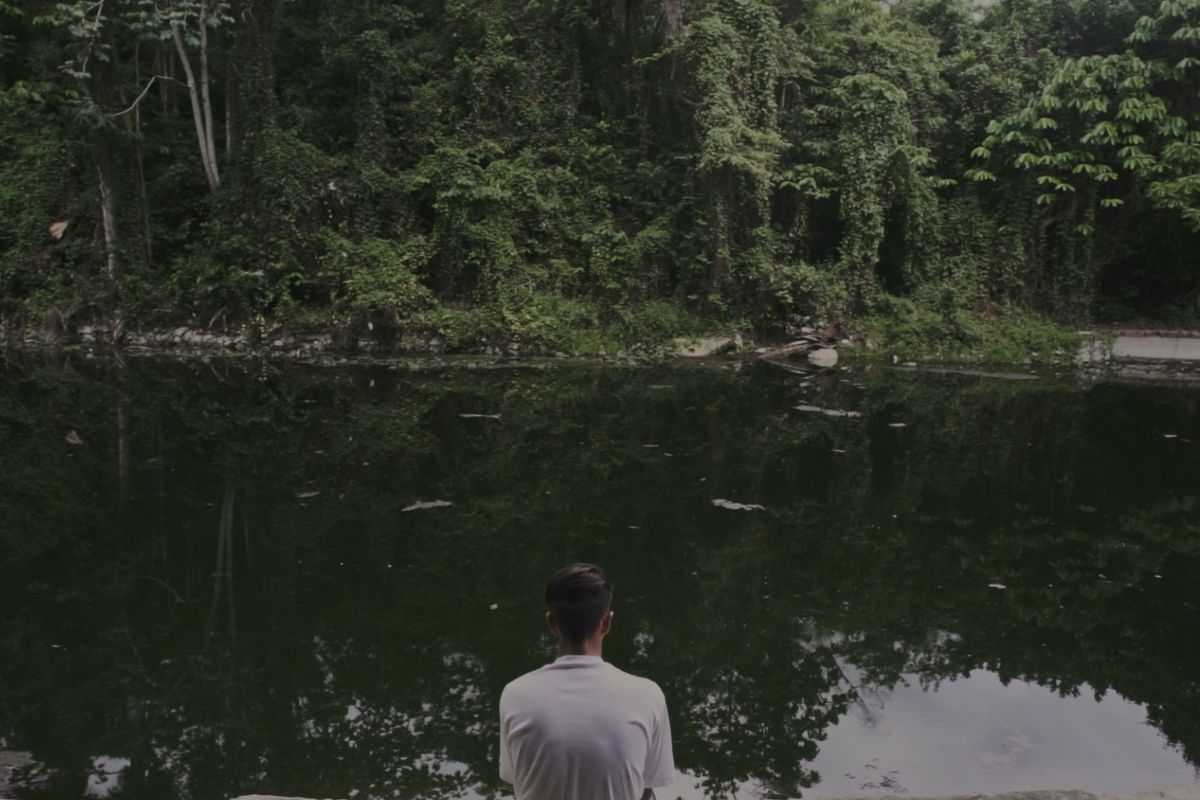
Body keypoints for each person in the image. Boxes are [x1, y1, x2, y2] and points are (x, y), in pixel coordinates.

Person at [499, 563, 675, 800]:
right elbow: (645, 789)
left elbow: (519, 779)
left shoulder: (516, 694)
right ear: (606, 622)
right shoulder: (648, 694)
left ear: (552, 623)